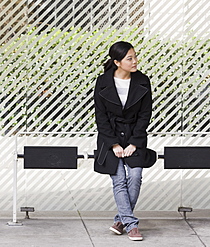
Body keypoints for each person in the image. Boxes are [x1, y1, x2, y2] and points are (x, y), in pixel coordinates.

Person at [93, 41, 153, 241]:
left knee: (135, 176)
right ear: (117, 62)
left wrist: (134, 143)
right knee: (119, 179)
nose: (135, 61)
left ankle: (121, 220)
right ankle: (132, 226)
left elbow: (145, 115)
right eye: (130, 58)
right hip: (110, 138)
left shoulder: (143, 81)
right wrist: (114, 144)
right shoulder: (102, 82)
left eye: (135, 56)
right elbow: (100, 116)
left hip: (134, 136)